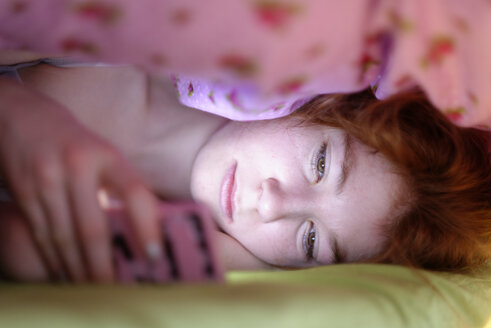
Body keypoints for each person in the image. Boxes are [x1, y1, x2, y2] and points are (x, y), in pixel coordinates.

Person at [0, 58, 489, 283]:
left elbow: (20, 249)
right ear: (325, 103)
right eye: (321, 163)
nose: (274, 204)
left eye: (311, 241)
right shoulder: (142, 46)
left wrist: (240, 259)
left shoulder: (164, 227)